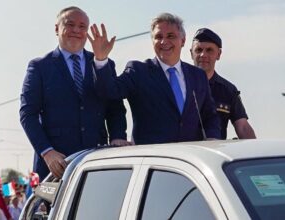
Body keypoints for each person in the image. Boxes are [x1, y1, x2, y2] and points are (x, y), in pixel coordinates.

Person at [20, 6, 129, 179]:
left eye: (82, 26)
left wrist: (117, 136)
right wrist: (47, 152)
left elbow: (115, 106)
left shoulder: (102, 62)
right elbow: (28, 114)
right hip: (57, 165)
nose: (76, 30)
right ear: (57, 28)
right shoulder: (40, 67)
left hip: (97, 160)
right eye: (70, 25)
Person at [89, 13, 220, 144]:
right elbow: (110, 91)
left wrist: (212, 138)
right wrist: (101, 59)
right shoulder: (138, 71)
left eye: (170, 36)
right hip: (153, 159)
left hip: (189, 159)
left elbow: (210, 115)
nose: (164, 42)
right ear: (152, 41)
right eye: (158, 37)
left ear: (183, 40)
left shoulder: (197, 75)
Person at [190, 28, 256, 139]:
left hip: (216, 153)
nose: (203, 55)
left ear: (219, 54)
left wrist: (256, 151)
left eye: (209, 50)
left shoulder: (228, 90)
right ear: (191, 53)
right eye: (198, 50)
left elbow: (243, 126)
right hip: (185, 154)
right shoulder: (180, 84)